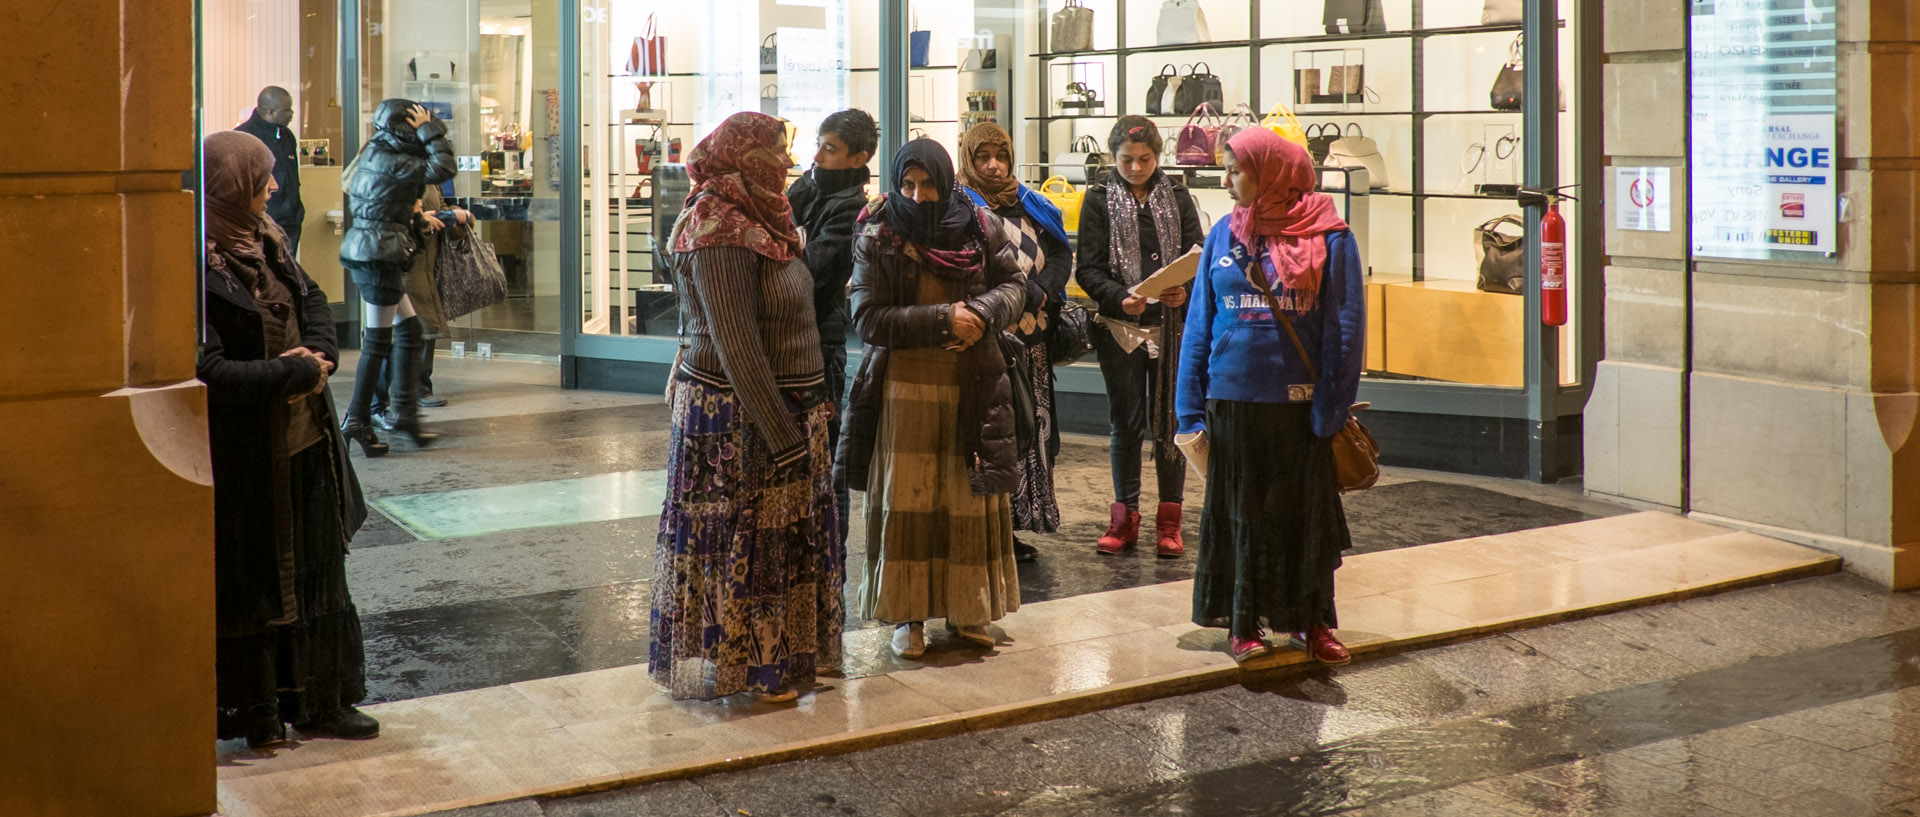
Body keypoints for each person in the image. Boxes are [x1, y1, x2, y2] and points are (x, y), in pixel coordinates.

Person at [649, 112, 844, 703]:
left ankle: (773, 658)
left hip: (782, 409)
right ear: (742, 157)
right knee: (747, 543)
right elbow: (735, 342)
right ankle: (752, 666)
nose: (785, 164)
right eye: (772, 152)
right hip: (743, 418)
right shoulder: (719, 224)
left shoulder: (762, 218)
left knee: (780, 544)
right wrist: (784, 435)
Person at [198, 131, 377, 747]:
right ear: (231, 184)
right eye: (262, 178)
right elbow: (209, 371)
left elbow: (314, 298)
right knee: (260, 583)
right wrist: (295, 372)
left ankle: (323, 701)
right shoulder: (196, 261)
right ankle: (260, 713)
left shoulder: (269, 239)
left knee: (319, 571)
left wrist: (322, 354)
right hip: (249, 454)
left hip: (307, 439)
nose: (273, 187)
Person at [1175, 127, 1363, 666]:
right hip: (1233, 402)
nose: (1226, 180)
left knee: (1303, 519)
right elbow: (1199, 326)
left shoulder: (1329, 234)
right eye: (1226, 170)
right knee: (1242, 519)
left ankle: (1313, 622)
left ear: (1270, 171)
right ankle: (1242, 622)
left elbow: (1345, 327)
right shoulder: (1223, 234)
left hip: (1302, 408)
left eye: (1236, 170)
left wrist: (1332, 405)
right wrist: (1188, 407)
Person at [841, 138, 1029, 658]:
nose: (919, 196)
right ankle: (909, 616)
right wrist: (945, 319)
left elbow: (1015, 287)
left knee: (967, 498)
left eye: (928, 185)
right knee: (909, 501)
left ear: (946, 181)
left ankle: (969, 610)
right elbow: (867, 317)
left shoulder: (980, 224)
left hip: (972, 384)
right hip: (904, 391)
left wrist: (982, 314)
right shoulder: (878, 232)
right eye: (908, 184)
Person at [1073, 116, 1206, 558]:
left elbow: (1197, 255)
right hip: (1121, 328)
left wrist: (1182, 290)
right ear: (1112, 158)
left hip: (1172, 328)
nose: (1135, 167)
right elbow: (1087, 269)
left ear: (1158, 156)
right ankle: (1124, 518)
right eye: (1126, 160)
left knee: (1170, 423)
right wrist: (1118, 297)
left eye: (1145, 159)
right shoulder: (1096, 199)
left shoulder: (1179, 195)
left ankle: (1170, 523)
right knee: (1125, 424)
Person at [955, 121, 1072, 564]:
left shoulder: (1031, 203)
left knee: (1033, 435)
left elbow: (1061, 253)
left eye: (999, 156)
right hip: (992, 342)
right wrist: (1019, 295)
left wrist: (1042, 289)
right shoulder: (960, 207)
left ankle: (1016, 527)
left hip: (1035, 340)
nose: (993, 164)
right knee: (994, 438)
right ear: (969, 158)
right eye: (983, 156)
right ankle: (987, 526)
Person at [338, 98, 456, 455]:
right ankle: (358, 418)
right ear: (406, 128)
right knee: (377, 342)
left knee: (409, 331)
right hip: (380, 257)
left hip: (373, 251)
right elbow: (444, 166)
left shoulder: (376, 151)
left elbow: (388, 203)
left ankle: (403, 413)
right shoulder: (396, 158)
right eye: (416, 125)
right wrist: (428, 129)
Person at [786, 108, 878, 548]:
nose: (818, 156)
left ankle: (831, 552)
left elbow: (809, 271)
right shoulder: (809, 185)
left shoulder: (852, 209)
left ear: (858, 158)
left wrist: (789, 247)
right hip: (792, 335)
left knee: (826, 453)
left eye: (830, 148)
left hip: (821, 340)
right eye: (818, 144)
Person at [372, 187, 468, 423]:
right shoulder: (394, 173)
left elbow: (436, 209)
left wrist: (453, 216)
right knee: (403, 331)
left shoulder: (428, 177)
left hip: (423, 262)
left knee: (420, 327)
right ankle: (381, 402)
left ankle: (412, 392)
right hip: (401, 263)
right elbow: (389, 217)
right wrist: (426, 220)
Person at [235, 86, 306, 252]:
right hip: (263, 223)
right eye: (286, 110)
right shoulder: (244, 138)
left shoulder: (287, 135)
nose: (292, 114)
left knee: (288, 273)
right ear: (270, 112)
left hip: (291, 221)